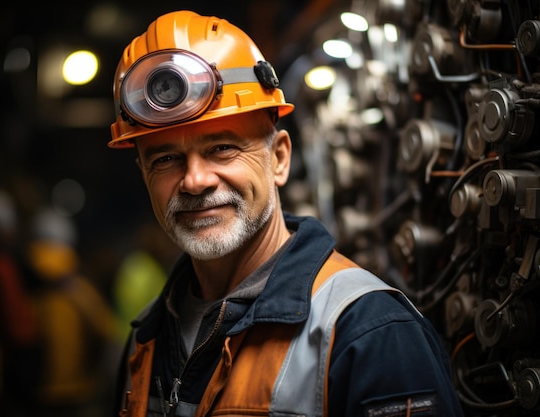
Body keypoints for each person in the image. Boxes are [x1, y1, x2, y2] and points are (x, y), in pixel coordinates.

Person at [107, 10, 464, 417]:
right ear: (144, 176)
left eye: (222, 148)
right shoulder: (146, 339)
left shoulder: (368, 332)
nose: (195, 180)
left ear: (278, 159)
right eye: (166, 159)